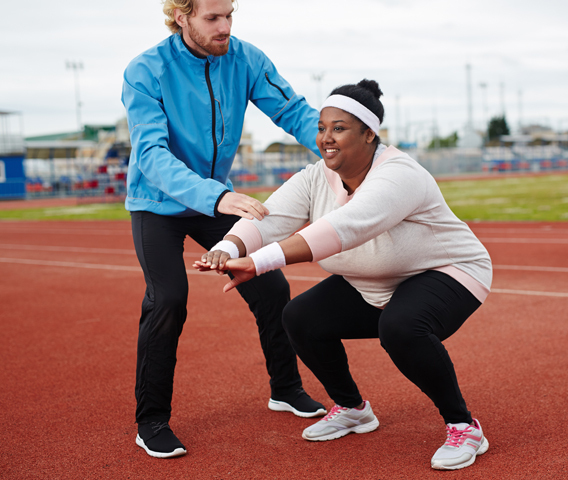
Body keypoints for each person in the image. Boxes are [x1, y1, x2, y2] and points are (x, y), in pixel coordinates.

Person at [195, 79, 494, 471]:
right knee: (299, 317)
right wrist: (227, 249)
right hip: (376, 281)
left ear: (369, 134)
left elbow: (345, 227)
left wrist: (260, 262)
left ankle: (464, 426)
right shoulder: (316, 176)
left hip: (447, 272)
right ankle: (353, 409)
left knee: (400, 327)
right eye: (321, 128)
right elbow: (270, 217)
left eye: (339, 128)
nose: (326, 138)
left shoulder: (398, 174)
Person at [121, 0, 326, 459]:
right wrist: (215, 197)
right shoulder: (145, 70)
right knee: (168, 298)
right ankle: (151, 419)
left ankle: (285, 389)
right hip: (159, 202)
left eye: (230, 15)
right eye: (213, 18)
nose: (225, 27)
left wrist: (337, 144)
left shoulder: (245, 58)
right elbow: (150, 154)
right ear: (182, 16)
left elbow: (293, 111)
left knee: (270, 286)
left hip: (215, 197)